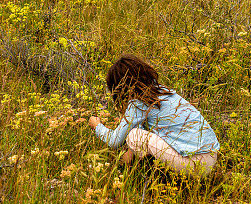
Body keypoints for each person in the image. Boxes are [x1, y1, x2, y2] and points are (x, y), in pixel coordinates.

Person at [88, 54, 220, 175]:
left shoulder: (138, 103)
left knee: (135, 135)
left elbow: (114, 141)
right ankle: (129, 168)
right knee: (138, 133)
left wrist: (97, 126)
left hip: (194, 165)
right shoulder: (163, 91)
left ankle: (133, 176)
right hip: (211, 157)